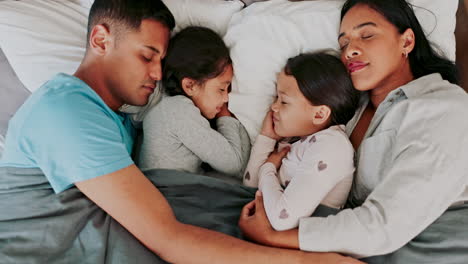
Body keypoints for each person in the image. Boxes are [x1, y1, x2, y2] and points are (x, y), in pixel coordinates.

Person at [0, 0, 363, 263]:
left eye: (161, 60)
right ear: (100, 40)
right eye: (147, 56)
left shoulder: (122, 117)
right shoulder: (65, 110)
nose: (158, 74)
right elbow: (167, 237)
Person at [239, 0, 468, 263]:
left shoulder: (445, 107)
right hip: (350, 241)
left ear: (406, 42)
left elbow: (386, 224)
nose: (349, 51)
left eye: (366, 35)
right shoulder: (347, 109)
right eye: (343, 43)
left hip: (431, 246)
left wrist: (274, 237)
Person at [243, 52, 360, 231]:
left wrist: (268, 169)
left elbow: (282, 219)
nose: (273, 107)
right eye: (276, 98)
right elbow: (250, 188)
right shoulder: (297, 141)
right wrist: (267, 138)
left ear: (319, 114)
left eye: (284, 101)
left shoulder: (332, 146)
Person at [137, 26, 250, 180]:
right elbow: (234, 164)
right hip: (169, 194)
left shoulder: (168, 109)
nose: (226, 99)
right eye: (221, 89)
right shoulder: (176, 111)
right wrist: (225, 115)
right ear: (190, 86)